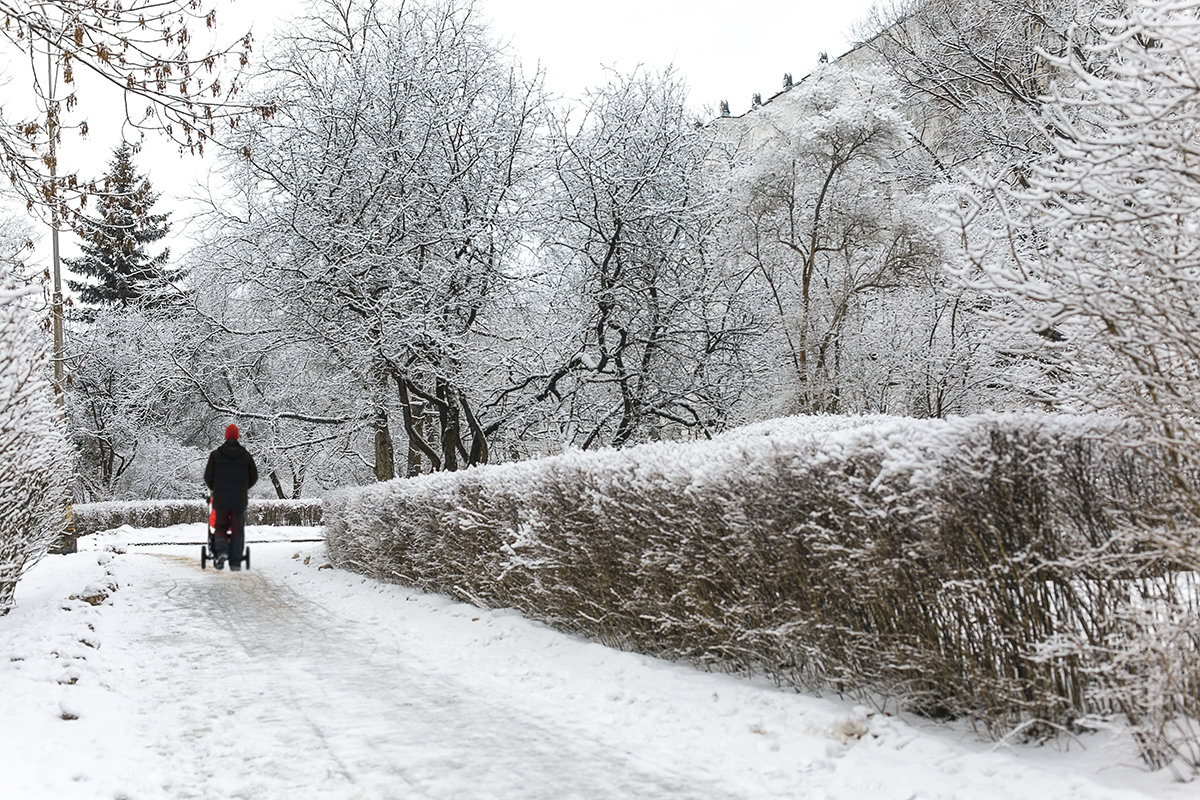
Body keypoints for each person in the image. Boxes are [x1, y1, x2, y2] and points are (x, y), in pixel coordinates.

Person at [203, 423, 258, 571]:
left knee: (220, 526)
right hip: (238, 500)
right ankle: (235, 561)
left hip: (221, 499)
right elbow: (254, 477)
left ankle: (221, 554)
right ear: (238, 437)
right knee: (237, 529)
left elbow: (208, 477)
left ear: (226, 437)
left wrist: (217, 488)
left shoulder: (215, 455)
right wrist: (243, 488)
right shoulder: (245, 456)